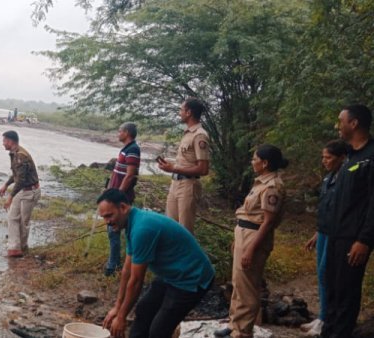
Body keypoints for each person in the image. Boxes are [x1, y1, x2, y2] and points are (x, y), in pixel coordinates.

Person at [98, 188, 215, 338]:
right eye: (103, 217)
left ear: (123, 207)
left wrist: (121, 318)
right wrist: (117, 307)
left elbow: (136, 281)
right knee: (144, 310)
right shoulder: (131, 222)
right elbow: (127, 270)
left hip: (191, 278)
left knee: (158, 330)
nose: (107, 222)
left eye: (109, 216)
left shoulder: (142, 228)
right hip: (171, 275)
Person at [215, 144, 288, 338]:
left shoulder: (273, 186)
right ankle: (234, 323)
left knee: (247, 286)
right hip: (244, 233)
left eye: (255, 159)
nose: (252, 162)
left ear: (265, 163)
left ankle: (242, 331)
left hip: (254, 236)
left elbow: (268, 222)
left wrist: (250, 249)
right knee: (239, 282)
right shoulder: (261, 183)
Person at [322, 104, 374, 338]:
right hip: (335, 236)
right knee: (332, 290)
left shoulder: (370, 157)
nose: (337, 125)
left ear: (354, 123)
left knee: (346, 295)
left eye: (340, 120)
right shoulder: (350, 157)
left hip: (353, 240)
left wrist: (364, 240)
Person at [300, 140, 348, 336]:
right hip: (324, 231)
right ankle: (322, 316)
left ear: (342, 158)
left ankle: (328, 319)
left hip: (339, 234)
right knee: (321, 275)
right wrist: (317, 232)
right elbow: (325, 209)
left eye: (328, 157)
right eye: (323, 157)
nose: (324, 161)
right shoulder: (328, 179)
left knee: (328, 274)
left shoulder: (346, 178)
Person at [157, 98, 211, 233]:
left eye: (181, 110)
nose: (179, 113)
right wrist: (170, 166)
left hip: (188, 186)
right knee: (169, 227)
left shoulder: (200, 135)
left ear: (189, 112)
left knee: (184, 231)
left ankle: (186, 254)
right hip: (175, 183)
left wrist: (173, 168)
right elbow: (186, 162)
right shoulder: (187, 133)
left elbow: (203, 169)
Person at [104, 122, 141, 276]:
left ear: (126, 133)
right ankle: (116, 262)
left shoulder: (133, 149)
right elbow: (118, 173)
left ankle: (114, 265)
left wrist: (118, 194)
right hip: (115, 194)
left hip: (122, 198)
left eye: (120, 131)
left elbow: (130, 174)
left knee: (114, 229)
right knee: (113, 229)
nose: (118, 134)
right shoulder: (126, 149)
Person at [0, 130, 41, 257]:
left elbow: (21, 179)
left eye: (4, 141)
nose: (3, 144)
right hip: (23, 190)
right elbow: (17, 174)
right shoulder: (16, 153)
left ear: (10, 141)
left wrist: (10, 196)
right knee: (12, 217)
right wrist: (6, 184)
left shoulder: (20, 155)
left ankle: (21, 247)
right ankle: (14, 248)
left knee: (24, 222)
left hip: (30, 191)